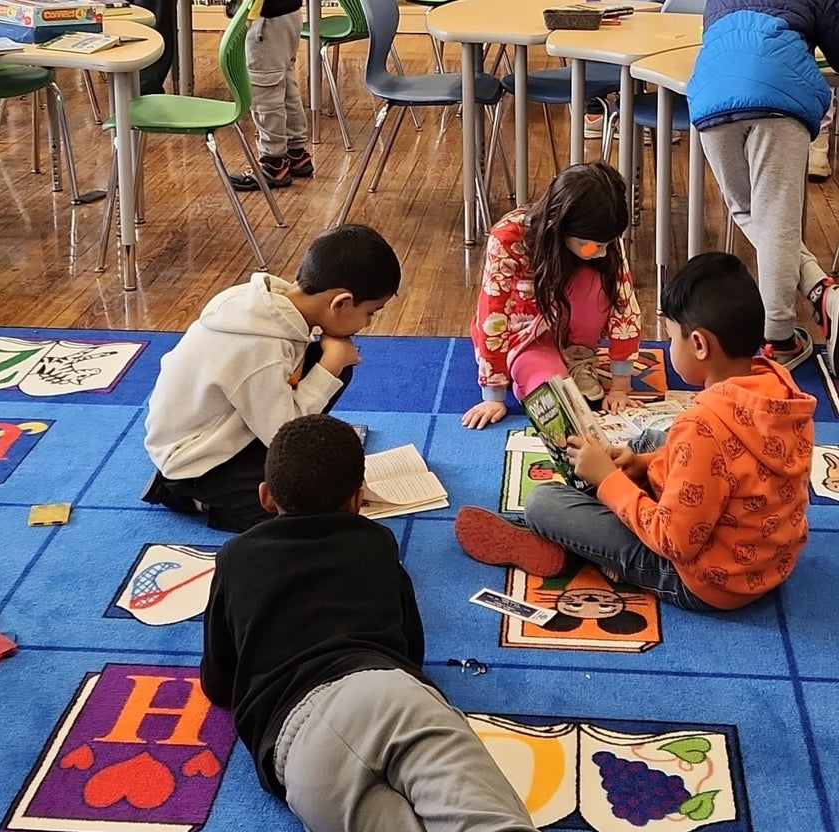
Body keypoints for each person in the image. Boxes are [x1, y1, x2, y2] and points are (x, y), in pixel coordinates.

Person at [201, 412, 834, 832]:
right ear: (359, 499)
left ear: (265, 499)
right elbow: (409, 647)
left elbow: (219, 686)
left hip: (303, 765)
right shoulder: (372, 545)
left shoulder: (234, 557)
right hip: (384, 693)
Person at [456, 253, 816, 612]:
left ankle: (566, 547)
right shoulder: (780, 387)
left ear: (700, 345)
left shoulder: (703, 428)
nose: (669, 347)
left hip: (708, 582)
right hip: (769, 562)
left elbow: (673, 542)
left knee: (544, 504)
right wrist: (644, 465)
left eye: (672, 337)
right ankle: (597, 512)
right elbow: (728, 466)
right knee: (650, 443)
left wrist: (609, 480)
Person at [141, 223, 398, 532]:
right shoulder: (258, 348)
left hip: (232, 432)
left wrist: (332, 365)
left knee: (338, 370)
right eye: (371, 312)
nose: (368, 323)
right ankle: (190, 497)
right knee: (301, 516)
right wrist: (329, 364)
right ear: (340, 303)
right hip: (197, 460)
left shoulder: (271, 305)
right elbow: (284, 433)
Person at [687, 0, 839, 375]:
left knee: (747, 210)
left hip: (713, 92)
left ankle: (822, 293)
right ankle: (781, 337)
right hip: (780, 94)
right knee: (777, 219)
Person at [463, 162, 642, 432]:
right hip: (524, 337)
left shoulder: (599, 238)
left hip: (574, 330)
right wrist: (494, 394)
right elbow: (493, 315)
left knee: (599, 280)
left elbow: (624, 305)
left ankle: (579, 358)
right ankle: (543, 368)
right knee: (553, 401)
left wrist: (620, 387)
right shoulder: (508, 239)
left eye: (608, 243)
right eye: (594, 245)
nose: (603, 252)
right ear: (559, 228)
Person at [227, 0, 314, 192]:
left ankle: (273, 163)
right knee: (284, 82)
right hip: (287, 14)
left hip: (265, 18)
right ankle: (295, 153)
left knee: (264, 91)